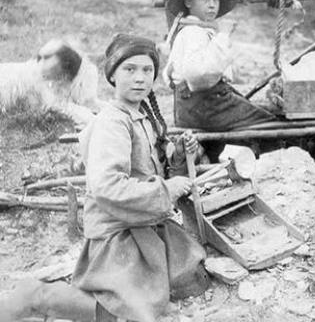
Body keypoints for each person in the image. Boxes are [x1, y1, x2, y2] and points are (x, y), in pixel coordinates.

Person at [0, 34, 209, 322]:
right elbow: (107, 187)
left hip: (143, 220)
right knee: (133, 312)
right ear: (112, 75)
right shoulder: (112, 123)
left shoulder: (142, 117)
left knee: (193, 278)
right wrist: (167, 189)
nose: (140, 78)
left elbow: (152, 170)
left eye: (147, 70)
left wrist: (177, 158)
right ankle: (37, 295)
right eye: (129, 69)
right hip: (117, 232)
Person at [164, 0, 277, 160]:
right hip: (205, 106)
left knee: (258, 112)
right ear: (189, 2)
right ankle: (308, 146)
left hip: (196, 107)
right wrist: (223, 38)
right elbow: (198, 75)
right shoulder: (193, 33)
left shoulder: (197, 30)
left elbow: (172, 76)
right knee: (265, 122)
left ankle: (216, 155)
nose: (211, 5)